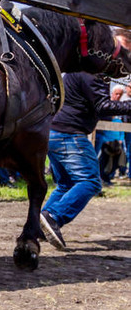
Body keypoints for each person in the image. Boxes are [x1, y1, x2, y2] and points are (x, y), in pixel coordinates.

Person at [40, 69, 131, 250]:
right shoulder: (93, 74)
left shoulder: (76, 70)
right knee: (90, 182)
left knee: (66, 184)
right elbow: (103, 107)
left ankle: (38, 227)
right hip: (69, 134)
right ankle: (54, 216)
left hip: (53, 132)